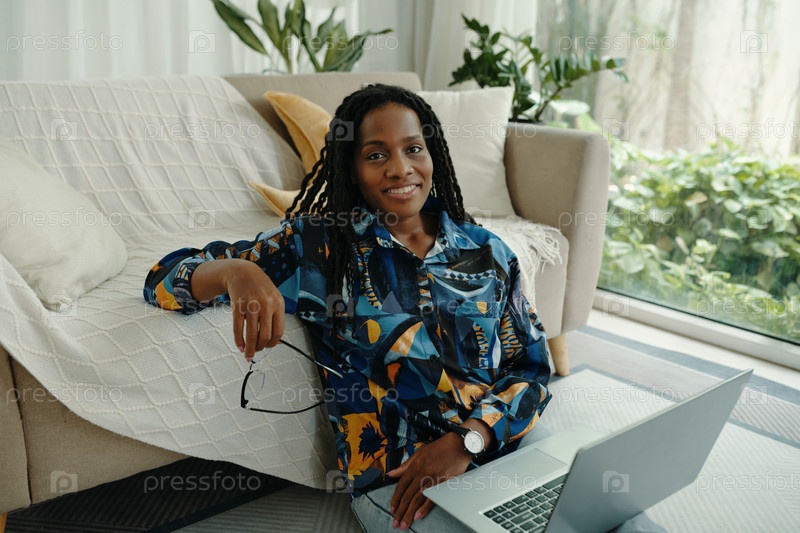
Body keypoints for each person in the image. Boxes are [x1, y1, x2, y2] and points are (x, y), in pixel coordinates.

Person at [144, 84, 665, 533]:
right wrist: (237, 272)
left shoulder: (487, 250)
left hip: (502, 441)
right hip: (400, 482)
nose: (400, 169)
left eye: (413, 148)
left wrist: (470, 439)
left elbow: (530, 368)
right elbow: (163, 279)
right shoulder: (317, 247)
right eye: (376, 155)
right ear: (352, 168)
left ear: (432, 153)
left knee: (623, 518)